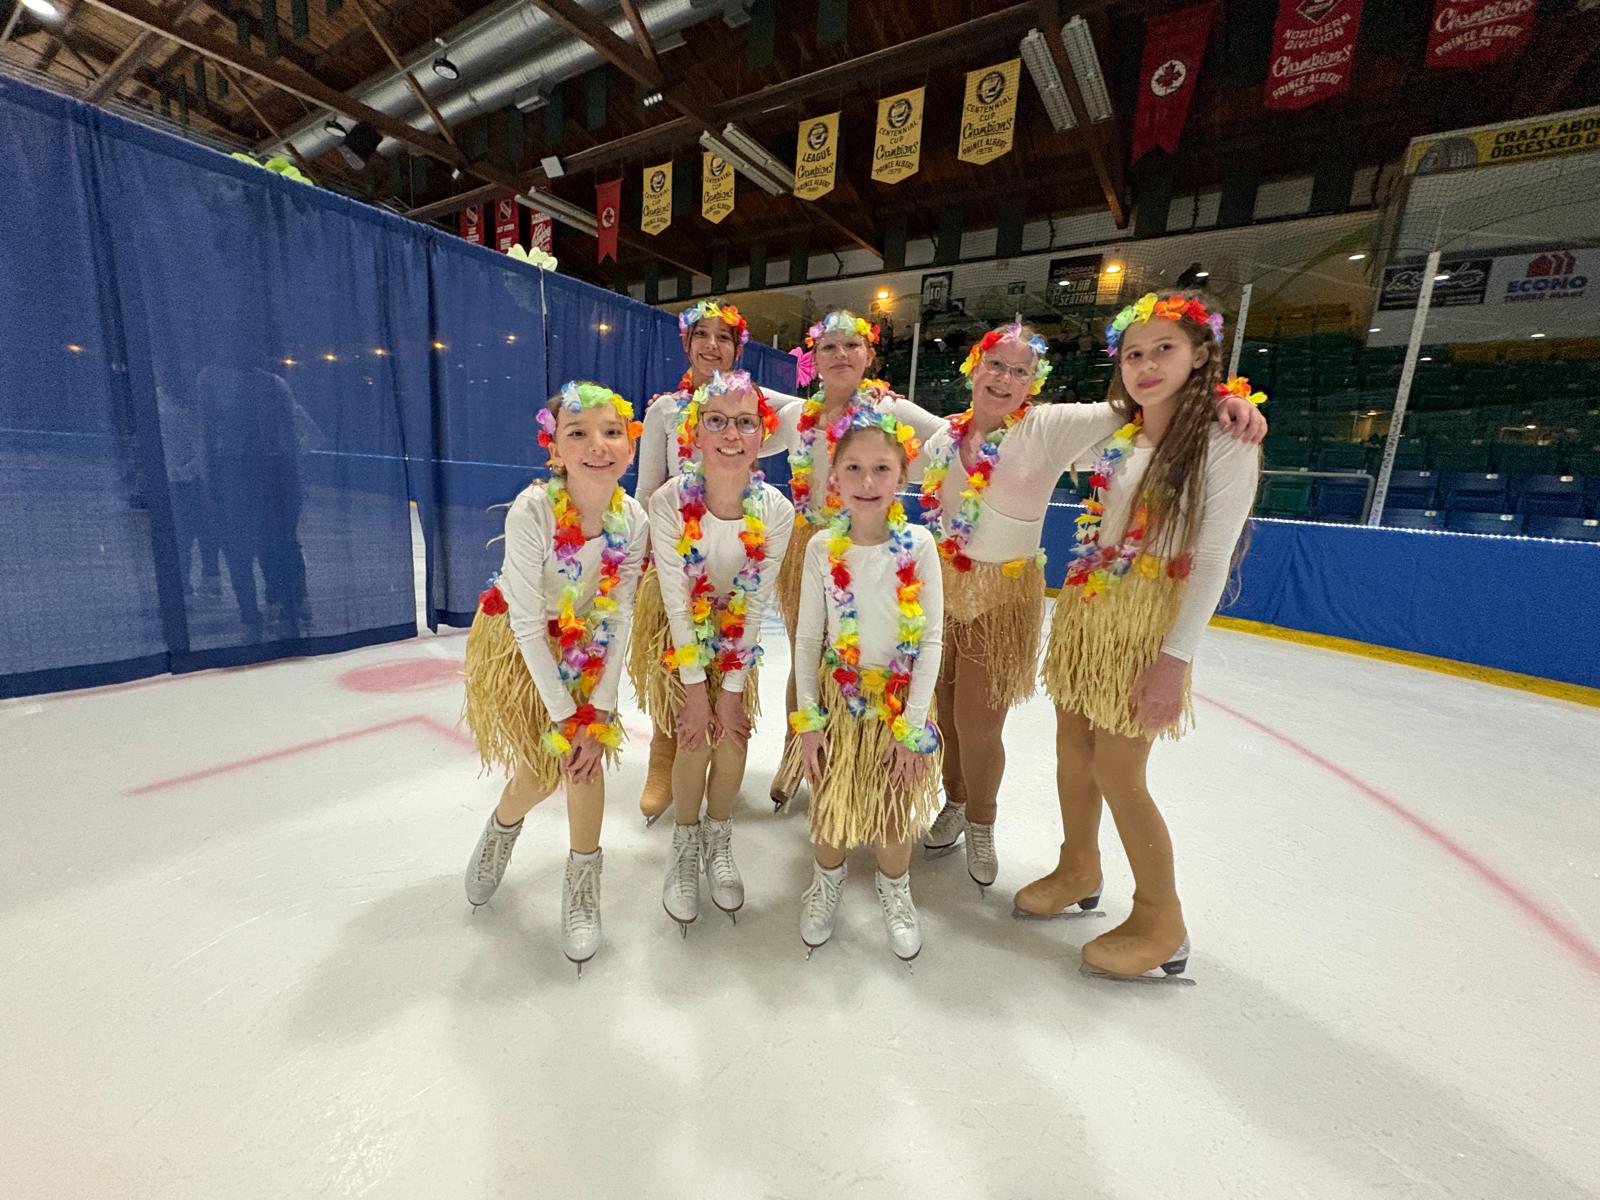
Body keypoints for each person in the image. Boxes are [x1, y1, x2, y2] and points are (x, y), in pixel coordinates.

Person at [919, 321, 1266, 894]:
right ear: (972, 367)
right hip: (943, 592)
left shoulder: (1046, 425)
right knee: (947, 716)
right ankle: (954, 802)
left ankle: (981, 820)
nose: (1004, 378)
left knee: (977, 725)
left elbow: (1138, 403)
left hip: (1003, 597)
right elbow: (885, 429)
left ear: (1034, 382)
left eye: (1020, 370)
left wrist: (1225, 399)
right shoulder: (943, 439)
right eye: (995, 364)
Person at [1034, 291, 1263, 982]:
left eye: (1165, 348)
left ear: (1201, 355)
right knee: (1072, 749)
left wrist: (1174, 660)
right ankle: (1079, 866)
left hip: (1149, 622)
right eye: (1133, 353)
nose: (1147, 364)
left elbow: (1214, 558)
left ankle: (1163, 918)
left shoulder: (1225, 440)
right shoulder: (1120, 436)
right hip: (1089, 609)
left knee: (1119, 770)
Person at [460, 381, 650, 976]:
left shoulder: (633, 518)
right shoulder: (534, 510)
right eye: (578, 433)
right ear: (556, 450)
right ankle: (503, 826)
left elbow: (619, 612)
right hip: (522, 644)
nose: (598, 445)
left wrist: (599, 710)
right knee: (543, 772)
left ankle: (583, 882)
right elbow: (524, 620)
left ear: (630, 446)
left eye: (612, 432)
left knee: (586, 759)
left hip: (586, 642)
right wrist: (568, 716)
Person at [765, 309, 946, 809]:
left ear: (869, 355)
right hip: (814, 548)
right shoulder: (797, 415)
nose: (840, 354)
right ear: (814, 359)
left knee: (872, 652)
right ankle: (796, 751)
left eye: (852, 345)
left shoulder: (892, 410)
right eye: (829, 346)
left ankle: (865, 755)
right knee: (806, 653)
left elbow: (949, 437)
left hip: (875, 548)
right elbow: (746, 421)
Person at [630, 300, 800, 824]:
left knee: (726, 678)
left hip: (736, 563)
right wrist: (645, 560)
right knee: (672, 674)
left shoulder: (751, 402)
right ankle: (664, 758)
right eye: (701, 335)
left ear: (737, 347)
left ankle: (719, 776)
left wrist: (864, 398)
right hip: (677, 560)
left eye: (723, 337)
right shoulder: (664, 409)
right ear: (686, 343)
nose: (711, 345)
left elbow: (812, 412)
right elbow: (646, 489)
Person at [786, 408, 943, 963]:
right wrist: (809, 721)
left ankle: (895, 888)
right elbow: (809, 640)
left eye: (882, 468)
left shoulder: (919, 546)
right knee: (830, 802)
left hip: (900, 703)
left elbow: (931, 640)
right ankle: (825, 881)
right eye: (853, 467)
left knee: (894, 807)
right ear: (834, 477)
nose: (868, 481)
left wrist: (913, 727)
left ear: (903, 476)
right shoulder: (821, 549)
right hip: (839, 700)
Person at [639, 371, 793, 932]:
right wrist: (696, 691)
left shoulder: (775, 510)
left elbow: (754, 604)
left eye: (745, 422)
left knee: (733, 734)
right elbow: (677, 601)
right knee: (693, 734)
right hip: (682, 627)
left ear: (761, 436)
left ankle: (718, 834)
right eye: (718, 421)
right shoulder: (668, 502)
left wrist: (729, 691)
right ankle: (685, 844)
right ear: (696, 432)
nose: (731, 433)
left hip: (736, 631)